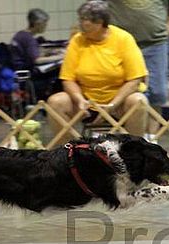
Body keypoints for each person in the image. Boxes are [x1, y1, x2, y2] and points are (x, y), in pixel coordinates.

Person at [47, 1, 148, 144]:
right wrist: (80, 100)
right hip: (86, 102)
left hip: (118, 103)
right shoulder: (77, 40)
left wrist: (112, 105)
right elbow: (67, 79)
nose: (80, 24)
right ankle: (69, 153)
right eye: (80, 19)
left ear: (99, 22)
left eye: (84, 20)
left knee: (138, 101)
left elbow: (135, 79)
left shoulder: (124, 39)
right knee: (55, 102)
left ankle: (135, 151)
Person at [107, 0, 169, 143]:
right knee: (132, 94)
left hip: (155, 42)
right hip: (121, 42)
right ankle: (135, 138)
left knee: (158, 92)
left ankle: (152, 139)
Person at [10, 8, 64, 101]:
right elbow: (37, 60)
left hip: (18, 72)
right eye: (45, 23)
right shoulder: (29, 39)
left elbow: (30, 53)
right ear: (37, 23)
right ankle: (53, 101)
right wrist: (61, 57)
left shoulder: (20, 35)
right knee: (60, 70)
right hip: (28, 75)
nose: (46, 26)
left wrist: (50, 53)